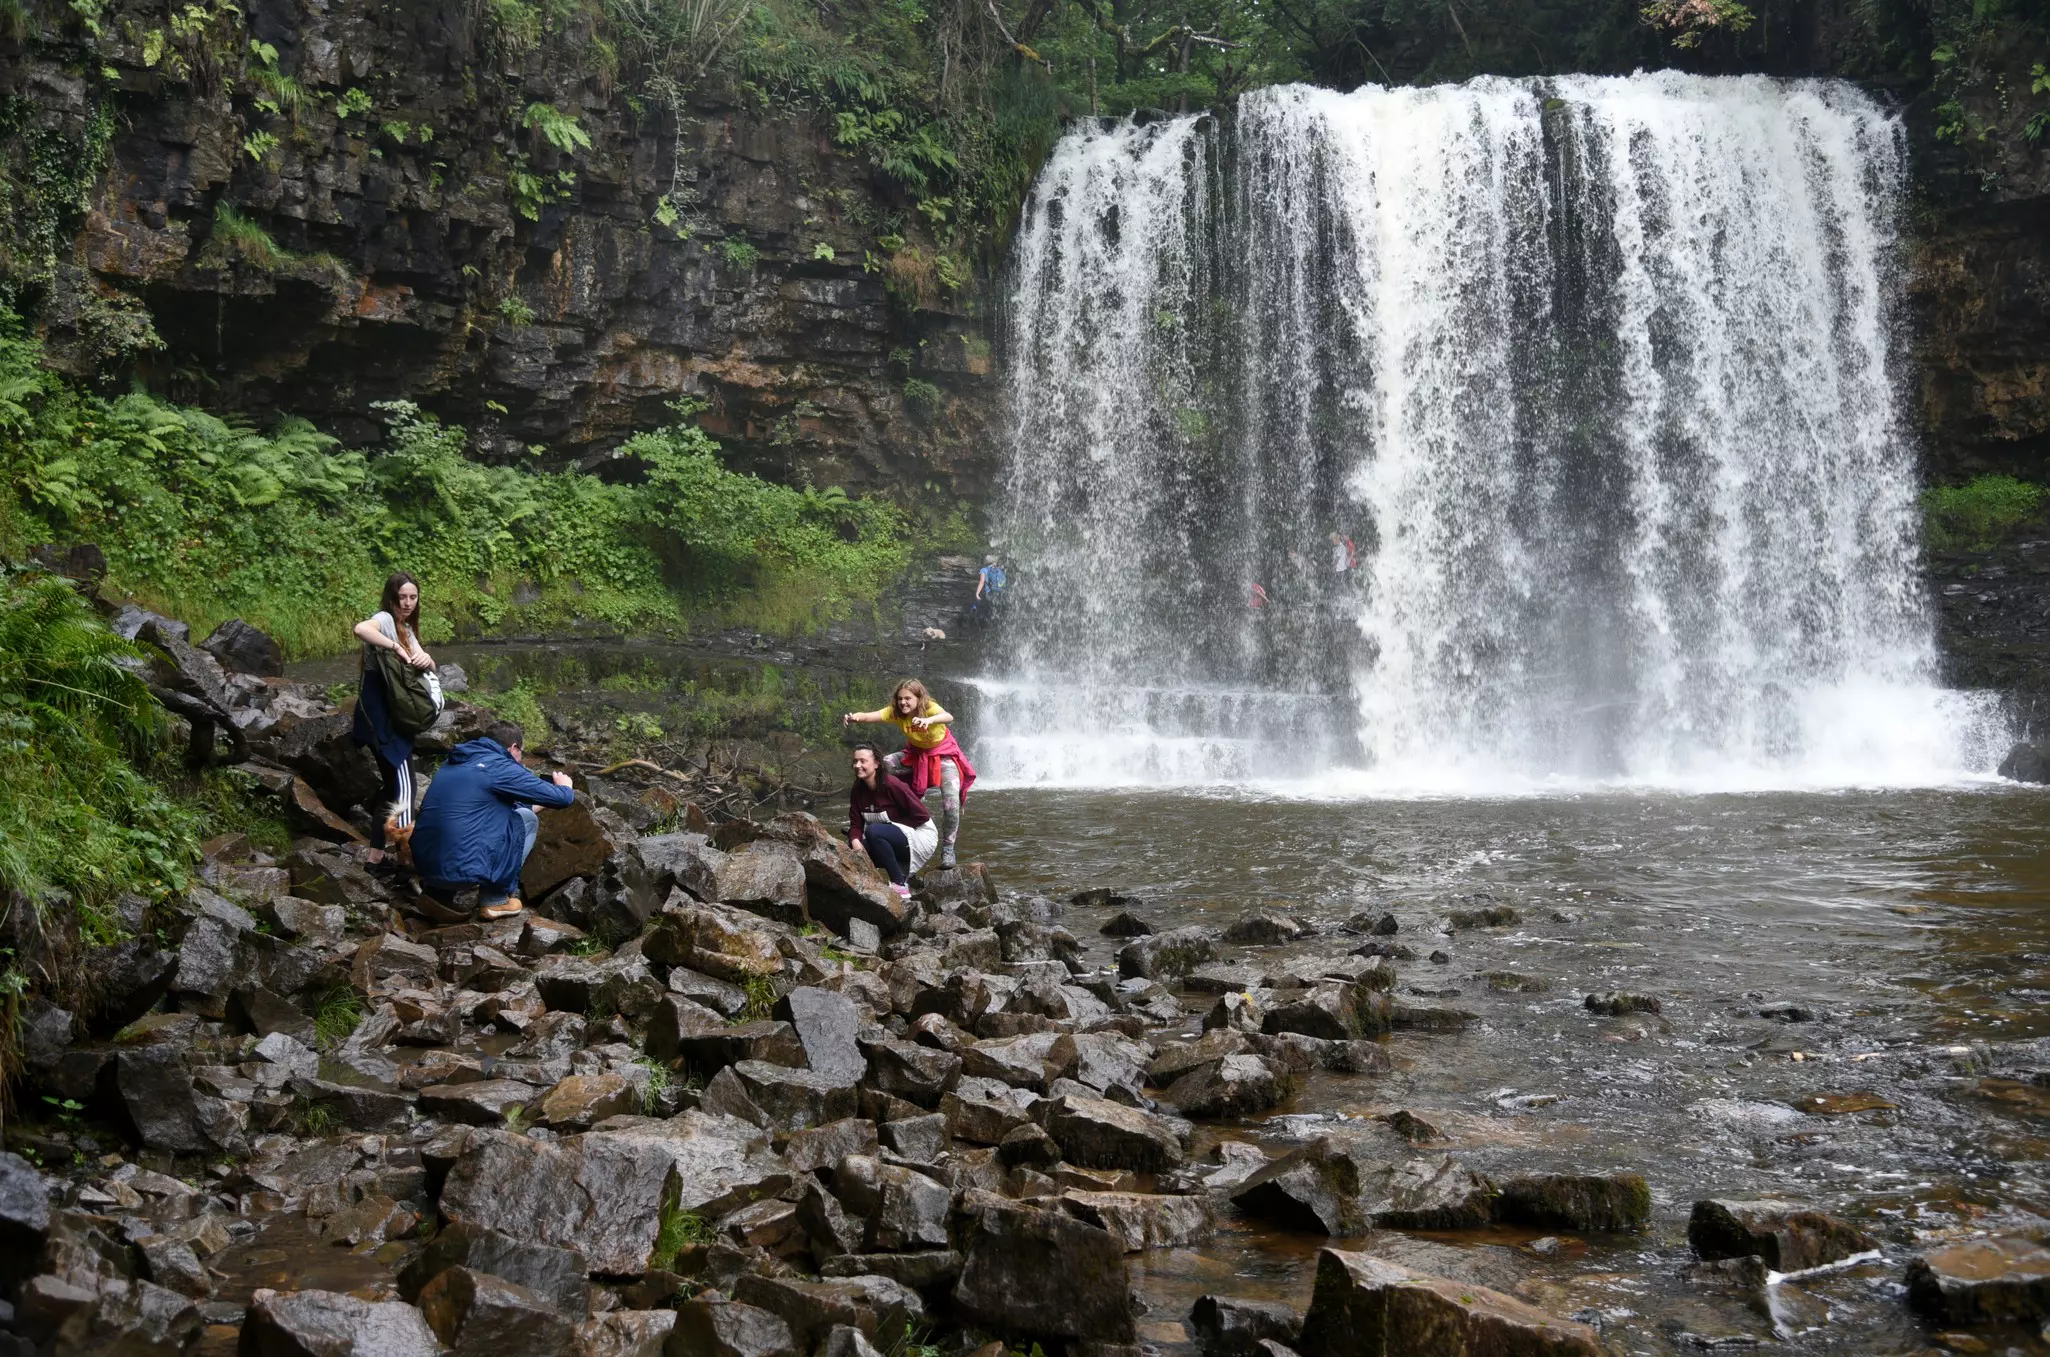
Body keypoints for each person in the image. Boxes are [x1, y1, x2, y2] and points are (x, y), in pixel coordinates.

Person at [408, 720, 576, 920]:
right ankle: (495, 899)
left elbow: (488, 807)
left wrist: (539, 804)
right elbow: (562, 799)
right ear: (513, 747)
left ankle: (438, 894)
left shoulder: (455, 761)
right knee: (527, 820)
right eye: (521, 752)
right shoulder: (500, 766)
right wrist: (565, 786)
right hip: (462, 867)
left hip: (424, 864)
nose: (521, 760)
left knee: (474, 820)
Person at [842, 678, 975, 870]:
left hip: (943, 756)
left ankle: (948, 849)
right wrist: (855, 717)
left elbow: (948, 716)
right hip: (915, 754)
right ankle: (874, 821)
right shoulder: (895, 712)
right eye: (900, 699)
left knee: (951, 801)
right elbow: (872, 716)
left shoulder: (929, 707)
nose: (903, 702)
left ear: (919, 698)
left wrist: (928, 720)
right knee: (879, 766)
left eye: (908, 698)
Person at [352, 572, 433, 852]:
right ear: (391, 598)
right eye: (402, 597)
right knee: (406, 791)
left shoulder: (407, 629)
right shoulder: (386, 620)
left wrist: (428, 660)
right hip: (382, 720)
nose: (408, 603)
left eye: (413, 597)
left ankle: (375, 860)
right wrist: (395, 646)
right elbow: (361, 629)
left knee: (392, 791)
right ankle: (405, 860)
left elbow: (428, 668)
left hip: (391, 719)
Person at [846, 743, 935, 899]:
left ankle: (900, 885)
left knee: (874, 832)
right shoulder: (857, 789)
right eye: (855, 761)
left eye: (863, 761)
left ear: (877, 763)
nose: (857, 765)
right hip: (889, 838)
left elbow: (922, 816)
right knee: (854, 848)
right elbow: (856, 824)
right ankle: (867, 890)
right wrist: (855, 841)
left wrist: (891, 827)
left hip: (920, 835)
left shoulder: (892, 784)